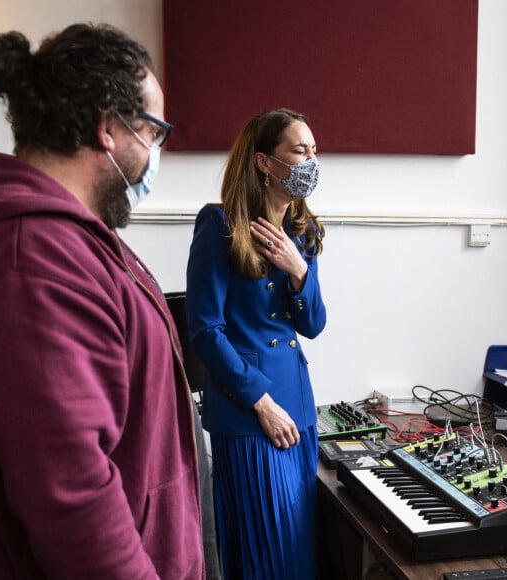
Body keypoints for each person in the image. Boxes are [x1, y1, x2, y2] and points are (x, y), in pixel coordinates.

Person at [0, 23, 205, 579]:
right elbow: (72, 494)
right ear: (110, 128)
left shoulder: (75, 239)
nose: (156, 153)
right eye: (155, 132)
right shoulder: (32, 258)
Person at [186, 108, 327, 579]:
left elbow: (314, 326)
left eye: (313, 149)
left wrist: (298, 269)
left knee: (298, 551)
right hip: (251, 414)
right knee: (266, 551)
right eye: (299, 149)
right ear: (266, 162)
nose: (311, 159)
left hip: (299, 410)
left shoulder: (302, 233)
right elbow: (204, 331)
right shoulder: (219, 224)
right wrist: (260, 402)